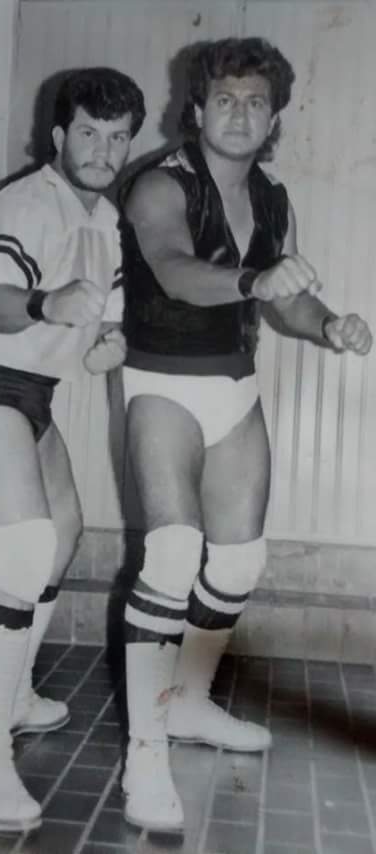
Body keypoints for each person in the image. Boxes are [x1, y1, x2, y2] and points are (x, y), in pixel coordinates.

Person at [118, 38, 372, 832]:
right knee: (170, 556)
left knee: (237, 562)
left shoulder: (271, 195)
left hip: (234, 383)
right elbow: (173, 269)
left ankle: (190, 703)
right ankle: (144, 755)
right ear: (196, 110)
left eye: (256, 102)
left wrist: (328, 324)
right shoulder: (159, 183)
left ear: (273, 120)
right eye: (224, 100)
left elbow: (282, 297)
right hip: (161, 381)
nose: (239, 114)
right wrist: (258, 279)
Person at [0, 67, 145, 832]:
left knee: (62, 537)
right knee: (22, 552)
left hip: (34, 395)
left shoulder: (110, 222)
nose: (102, 150)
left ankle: (17, 695)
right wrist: (44, 302)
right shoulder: (24, 201)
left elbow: (104, 326)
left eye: (117, 137)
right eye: (88, 132)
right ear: (59, 135)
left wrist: (110, 342)